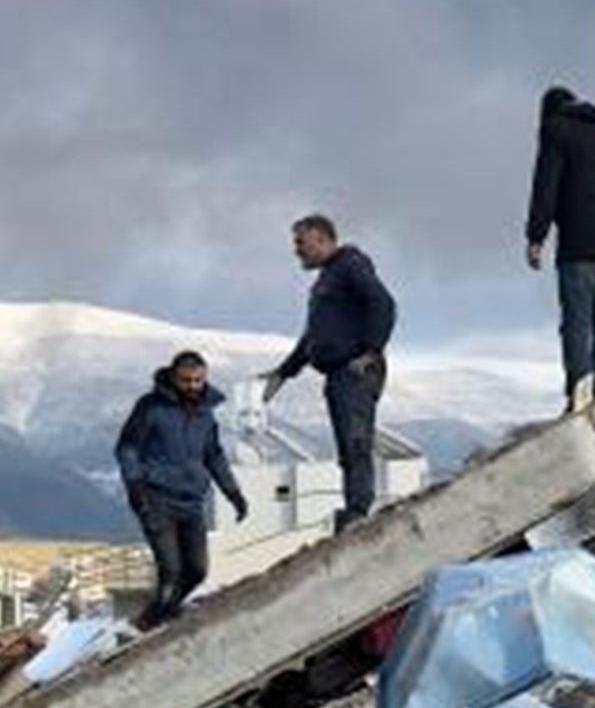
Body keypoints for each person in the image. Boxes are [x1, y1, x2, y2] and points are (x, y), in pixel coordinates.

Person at [263, 215, 397, 530]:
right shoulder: (329, 277)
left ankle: (358, 512)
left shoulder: (349, 266)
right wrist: (283, 373)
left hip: (354, 371)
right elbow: (313, 336)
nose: (296, 250)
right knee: (348, 446)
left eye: (301, 242)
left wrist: (372, 350)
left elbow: (383, 303)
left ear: (322, 239)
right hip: (340, 374)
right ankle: (354, 509)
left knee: (355, 442)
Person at [116, 351, 248, 630]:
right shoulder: (150, 407)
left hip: (191, 502)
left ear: (205, 378)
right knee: (171, 571)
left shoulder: (206, 415)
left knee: (197, 571)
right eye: (186, 380)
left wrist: (233, 494)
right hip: (155, 498)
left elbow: (213, 455)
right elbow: (127, 448)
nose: (192, 386)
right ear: (174, 377)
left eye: (198, 380)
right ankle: (154, 624)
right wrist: (135, 486)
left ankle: (157, 615)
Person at [525, 86, 595, 410]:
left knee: (577, 322)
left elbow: (546, 183)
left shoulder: (555, 129)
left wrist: (536, 237)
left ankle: (580, 396)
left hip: (581, 243)